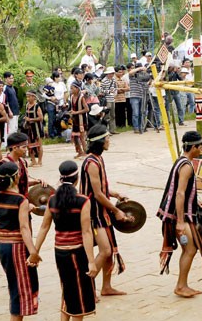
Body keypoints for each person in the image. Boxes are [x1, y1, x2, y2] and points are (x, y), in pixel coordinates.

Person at [33, 160, 97, 319]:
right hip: (77, 252)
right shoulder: (83, 200)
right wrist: (91, 261)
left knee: (67, 289)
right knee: (79, 298)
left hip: (59, 252)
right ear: (77, 178)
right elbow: (86, 232)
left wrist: (34, 251)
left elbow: (44, 227)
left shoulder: (52, 199)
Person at [0, 161, 40, 319]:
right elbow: (24, 228)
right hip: (17, 246)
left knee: (14, 282)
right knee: (21, 288)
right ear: (15, 177)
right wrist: (33, 251)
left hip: (2, 244)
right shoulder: (20, 200)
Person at [158, 131, 202, 298]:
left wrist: (195, 201)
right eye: (200, 146)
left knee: (189, 249)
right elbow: (180, 193)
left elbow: (181, 190)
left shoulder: (181, 161)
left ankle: (182, 285)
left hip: (176, 213)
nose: (201, 149)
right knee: (190, 249)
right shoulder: (187, 166)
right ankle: (181, 286)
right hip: (177, 216)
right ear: (194, 147)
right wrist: (181, 222)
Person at [80, 124, 131, 296]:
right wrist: (116, 211)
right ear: (100, 141)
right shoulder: (91, 163)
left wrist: (115, 194)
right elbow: (97, 194)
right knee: (106, 250)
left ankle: (106, 287)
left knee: (110, 251)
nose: (109, 140)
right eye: (107, 138)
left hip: (101, 211)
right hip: (93, 214)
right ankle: (86, 286)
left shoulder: (98, 159)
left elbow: (102, 189)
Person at [0, 132, 46, 198]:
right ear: (15, 148)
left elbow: (23, 182)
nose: (26, 150)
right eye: (24, 147)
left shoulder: (22, 161)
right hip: (10, 200)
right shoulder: (4, 164)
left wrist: (37, 181)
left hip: (21, 199)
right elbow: (4, 187)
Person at [24, 91, 44, 167]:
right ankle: (33, 161)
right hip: (29, 128)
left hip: (37, 128)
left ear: (34, 97)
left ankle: (40, 161)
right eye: (27, 97)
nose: (28, 98)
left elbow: (41, 118)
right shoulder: (27, 105)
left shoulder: (37, 106)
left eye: (29, 96)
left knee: (39, 145)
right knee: (30, 145)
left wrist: (31, 119)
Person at [69, 82, 89, 158]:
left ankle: (85, 151)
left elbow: (87, 109)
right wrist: (71, 112)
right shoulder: (71, 97)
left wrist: (76, 112)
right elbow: (72, 107)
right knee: (75, 137)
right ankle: (79, 151)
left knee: (82, 137)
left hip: (81, 120)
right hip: (75, 119)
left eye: (72, 88)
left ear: (77, 89)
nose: (71, 90)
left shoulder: (81, 98)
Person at [100, 67, 118, 134]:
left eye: (112, 73)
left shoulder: (113, 80)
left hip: (112, 98)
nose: (111, 74)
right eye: (110, 73)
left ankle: (112, 129)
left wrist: (115, 93)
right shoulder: (104, 80)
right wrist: (108, 91)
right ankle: (106, 130)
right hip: (107, 99)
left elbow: (115, 87)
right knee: (107, 115)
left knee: (113, 115)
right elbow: (101, 90)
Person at [3, 72, 20, 136]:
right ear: (5, 79)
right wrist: (9, 111)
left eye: (12, 78)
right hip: (11, 112)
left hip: (16, 112)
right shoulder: (5, 88)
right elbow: (5, 101)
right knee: (11, 130)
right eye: (10, 78)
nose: (11, 80)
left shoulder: (12, 88)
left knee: (15, 128)